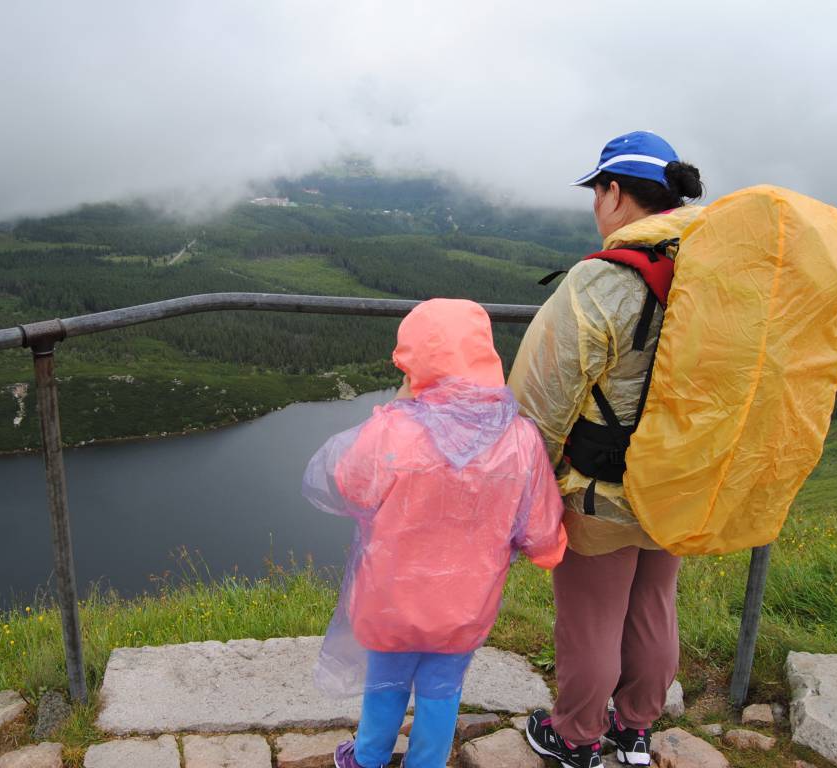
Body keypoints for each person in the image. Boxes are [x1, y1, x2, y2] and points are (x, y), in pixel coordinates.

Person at [508, 131, 705, 768]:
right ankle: (635, 727)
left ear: (615, 192)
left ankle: (575, 735)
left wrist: (528, 483)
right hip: (679, 477)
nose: (595, 204)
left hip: (602, 486)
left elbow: (542, 395)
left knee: (592, 615)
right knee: (653, 604)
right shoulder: (715, 271)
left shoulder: (602, 280)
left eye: (597, 191)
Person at [302, 298, 567, 768]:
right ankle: (426, 762)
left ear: (415, 362)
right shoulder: (520, 438)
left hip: (391, 601)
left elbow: (350, 486)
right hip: (464, 608)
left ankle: (367, 757)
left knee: (385, 684)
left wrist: (395, 409)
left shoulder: (394, 430)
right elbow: (541, 530)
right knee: (442, 689)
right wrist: (549, 552)